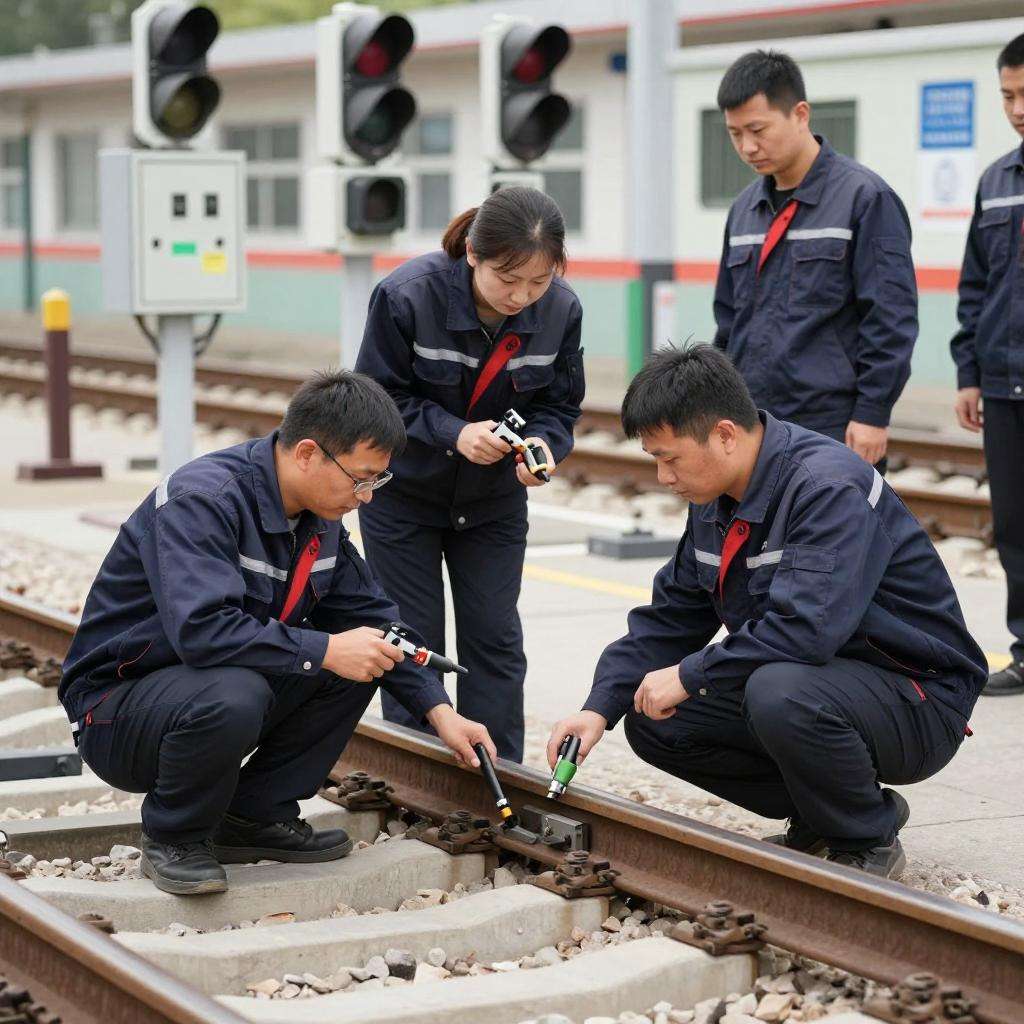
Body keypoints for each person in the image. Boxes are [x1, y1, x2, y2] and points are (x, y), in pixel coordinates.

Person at [548, 346, 986, 879]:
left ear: (725, 435)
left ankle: (866, 833)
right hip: (822, 680)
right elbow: (672, 616)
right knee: (651, 712)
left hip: (917, 695)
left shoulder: (825, 487)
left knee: (777, 691)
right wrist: (599, 707)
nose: (663, 476)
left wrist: (691, 674)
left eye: (669, 457)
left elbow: (805, 630)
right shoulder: (715, 498)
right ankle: (819, 813)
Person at [60, 371, 495, 895]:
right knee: (251, 686)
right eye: (361, 478)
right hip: (116, 711)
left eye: (377, 481)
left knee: (362, 656)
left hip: (202, 689)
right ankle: (175, 837)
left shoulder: (318, 515)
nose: (367, 497)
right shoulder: (204, 500)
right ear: (308, 453)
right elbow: (202, 631)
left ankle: (252, 818)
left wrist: (439, 710)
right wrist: (327, 649)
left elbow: (376, 619)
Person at [355, 187, 585, 763]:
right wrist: (453, 432)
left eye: (538, 282)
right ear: (473, 256)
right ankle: (416, 774)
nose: (522, 296)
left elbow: (559, 407)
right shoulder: (406, 296)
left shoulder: (561, 309)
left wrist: (543, 447)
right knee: (412, 643)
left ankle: (498, 768)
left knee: (496, 640)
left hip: (493, 502)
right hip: (402, 496)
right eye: (508, 279)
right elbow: (376, 401)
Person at [712, 49, 918, 470]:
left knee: (829, 534)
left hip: (832, 422)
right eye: (735, 134)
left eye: (758, 129)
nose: (748, 147)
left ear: (800, 114)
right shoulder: (744, 210)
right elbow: (728, 321)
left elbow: (891, 318)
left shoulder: (865, 198)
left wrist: (873, 413)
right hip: (753, 420)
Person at [950, 33, 1024, 696]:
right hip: (1004, 383)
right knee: (1016, 525)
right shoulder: (997, 180)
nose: (1018, 108)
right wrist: (968, 372)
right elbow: (975, 285)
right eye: (1007, 95)